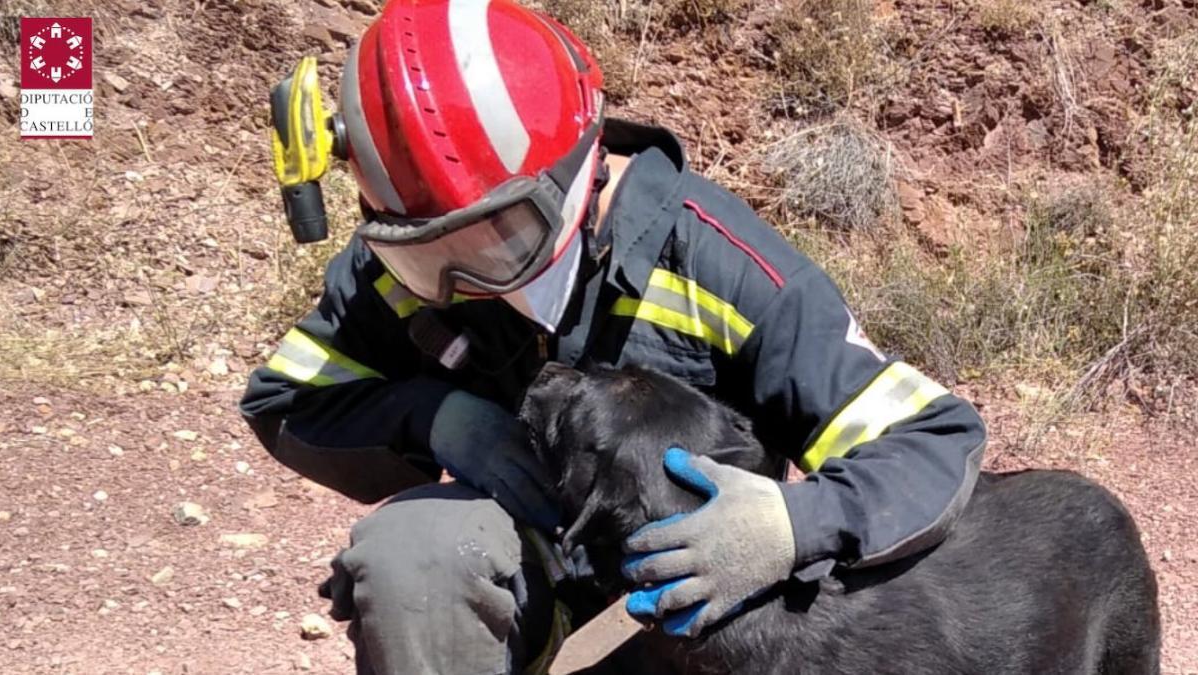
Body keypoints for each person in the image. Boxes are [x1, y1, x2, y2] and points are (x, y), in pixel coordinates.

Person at [239, 0, 987, 673]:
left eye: (500, 239)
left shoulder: (718, 266)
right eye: (425, 254)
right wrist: (432, 419)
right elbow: (285, 398)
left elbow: (932, 436)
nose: (469, 279)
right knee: (412, 558)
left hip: (695, 610)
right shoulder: (401, 267)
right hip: (527, 571)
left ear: (579, 168)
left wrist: (791, 525)